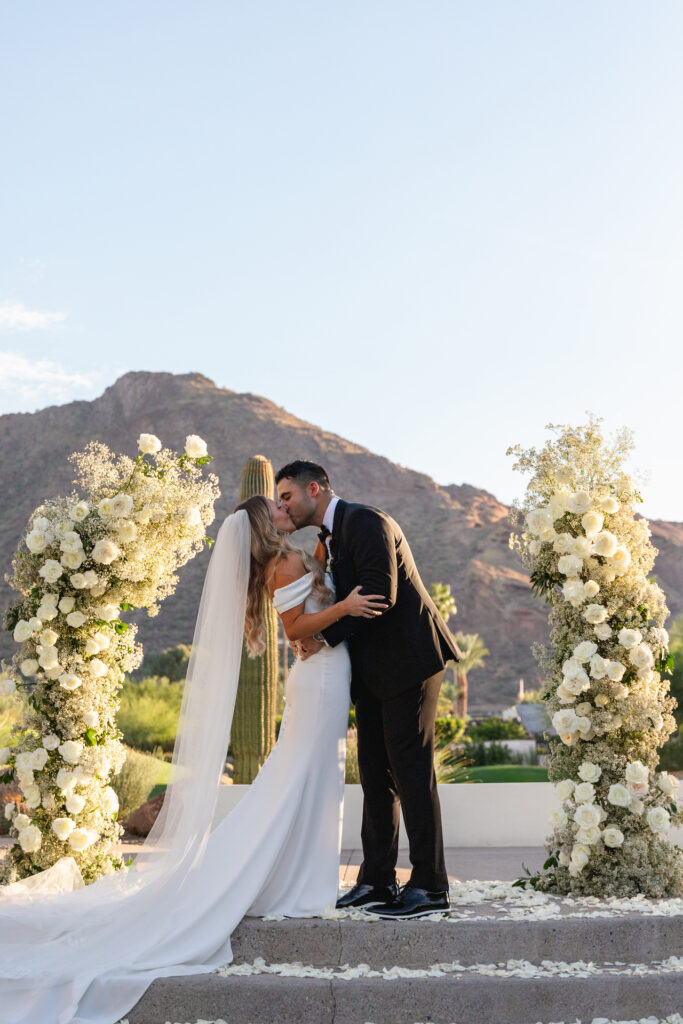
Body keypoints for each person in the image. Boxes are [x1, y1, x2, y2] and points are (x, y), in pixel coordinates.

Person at [0, 499, 386, 1024]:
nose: (281, 506)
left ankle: (301, 879)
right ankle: (300, 882)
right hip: (320, 678)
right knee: (305, 778)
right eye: (274, 505)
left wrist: (326, 561)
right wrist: (343, 609)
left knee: (306, 778)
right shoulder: (285, 564)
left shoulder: (292, 557)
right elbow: (297, 631)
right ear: (261, 524)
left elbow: (306, 606)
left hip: (323, 676)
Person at [275, 460, 462, 919]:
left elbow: (381, 595)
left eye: (286, 496)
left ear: (313, 489)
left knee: (411, 772)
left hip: (410, 663)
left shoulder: (366, 521)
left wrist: (320, 639)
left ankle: (430, 887)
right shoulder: (330, 539)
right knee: (376, 776)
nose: (283, 506)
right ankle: (377, 880)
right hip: (373, 671)